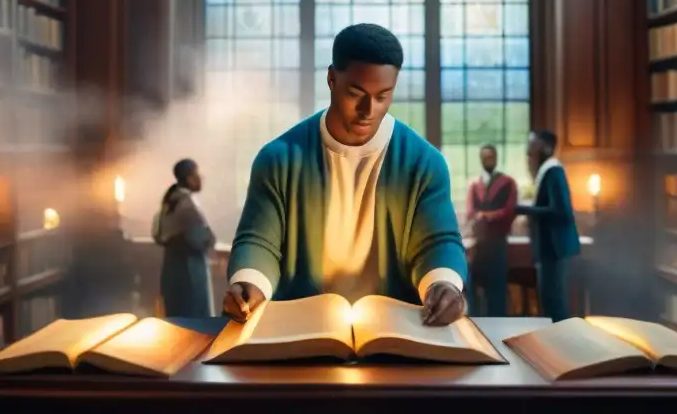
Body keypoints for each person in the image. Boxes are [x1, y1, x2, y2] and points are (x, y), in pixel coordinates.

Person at [223, 23, 467, 326]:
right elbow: (260, 240)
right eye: (356, 93)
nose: (369, 109)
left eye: (383, 96)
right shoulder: (277, 159)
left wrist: (442, 284)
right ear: (331, 79)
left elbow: (437, 242)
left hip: (395, 331)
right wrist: (250, 283)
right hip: (299, 328)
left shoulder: (424, 163)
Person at [516, 130, 580, 322]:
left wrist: (523, 209)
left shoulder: (554, 172)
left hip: (555, 249)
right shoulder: (548, 172)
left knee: (554, 303)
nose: (529, 150)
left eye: (533, 145)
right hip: (549, 249)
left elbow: (561, 211)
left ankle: (560, 347)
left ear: (546, 148)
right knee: (549, 301)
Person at [153, 158, 215, 317]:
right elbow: (202, 238)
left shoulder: (169, 201)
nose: (201, 178)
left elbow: (158, 234)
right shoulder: (187, 203)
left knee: (176, 319)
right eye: (197, 174)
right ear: (189, 178)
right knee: (195, 322)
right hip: (190, 271)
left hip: (172, 269)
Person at [466, 144, 517, 316]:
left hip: (497, 243)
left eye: (491, 156)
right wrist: (478, 217)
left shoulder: (508, 183)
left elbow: (509, 210)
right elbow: (470, 212)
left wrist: (486, 216)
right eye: (485, 156)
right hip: (479, 245)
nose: (488, 160)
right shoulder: (474, 185)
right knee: (473, 290)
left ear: (496, 158)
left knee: (497, 291)